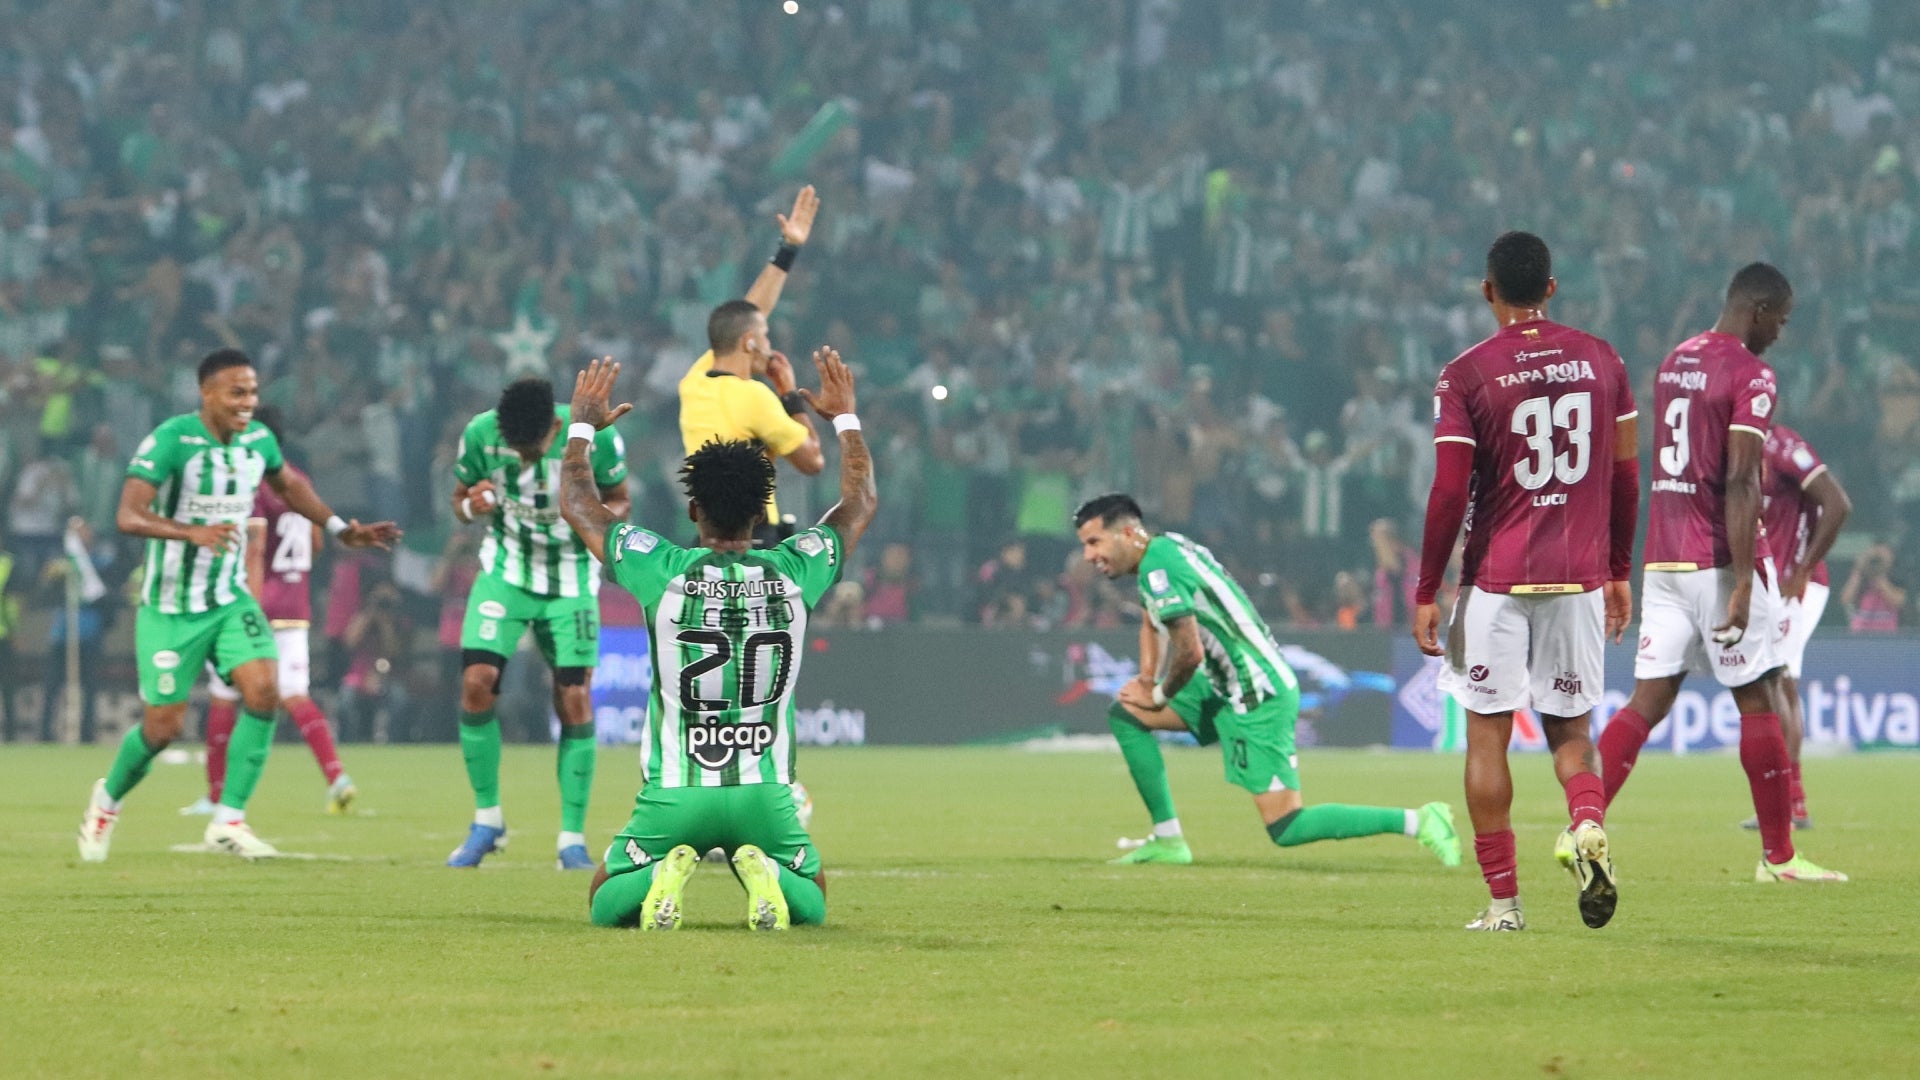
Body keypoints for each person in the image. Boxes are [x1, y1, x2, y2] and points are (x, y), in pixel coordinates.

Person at [560, 350, 875, 931]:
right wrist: (845, 420)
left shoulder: (659, 568)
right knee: (813, 897)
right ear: (760, 512)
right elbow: (858, 505)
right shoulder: (797, 569)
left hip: (677, 793)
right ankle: (766, 872)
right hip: (765, 794)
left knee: (605, 898)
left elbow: (579, 504)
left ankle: (663, 873)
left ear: (693, 509)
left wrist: (582, 427)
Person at [75, 348, 399, 862]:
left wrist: (341, 529)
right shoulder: (172, 439)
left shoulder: (258, 441)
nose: (248, 402)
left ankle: (229, 820)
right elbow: (128, 515)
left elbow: (290, 486)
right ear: (206, 393)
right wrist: (190, 532)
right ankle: (107, 801)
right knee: (162, 728)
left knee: (265, 691)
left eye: (252, 392)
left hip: (229, 600)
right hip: (171, 607)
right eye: (236, 392)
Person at [1412, 231, 1638, 932]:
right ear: (1551, 287)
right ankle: (1587, 822)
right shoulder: (1604, 359)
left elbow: (1449, 491)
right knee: (1571, 733)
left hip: (1496, 580)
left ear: (1488, 291)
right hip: (1577, 578)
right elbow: (1626, 475)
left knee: (1487, 739)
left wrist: (1426, 588)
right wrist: (1618, 570)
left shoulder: (1465, 375)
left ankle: (1505, 905)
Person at [1596, 263, 1847, 883]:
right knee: (1758, 694)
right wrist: (1743, 579)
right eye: (1780, 321)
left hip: (1663, 555)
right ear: (1757, 310)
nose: (1779, 334)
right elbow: (1739, 479)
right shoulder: (1751, 373)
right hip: (1718, 557)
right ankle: (1780, 859)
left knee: (1647, 701)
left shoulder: (1673, 361)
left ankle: (1583, 823)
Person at [1074, 494, 1461, 871]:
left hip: (1256, 692)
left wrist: (1158, 694)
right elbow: (1150, 619)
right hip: (1222, 683)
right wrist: (1145, 680)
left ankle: (1421, 820)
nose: (1089, 555)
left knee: (1287, 826)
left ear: (1128, 533)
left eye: (1094, 542)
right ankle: (1168, 840)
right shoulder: (1163, 551)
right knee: (1127, 714)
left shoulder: (1158, 566)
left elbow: (1189, 652)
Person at [444, 376, 630, 869]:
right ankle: (487, 820)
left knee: (574, 699)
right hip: (505, 573)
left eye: (531, 448)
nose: (523, 457)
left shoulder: (593, 434)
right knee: (476, 684)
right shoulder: (481, 433)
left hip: (572, 579)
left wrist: (594, 521)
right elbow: (459, 502)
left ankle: (571, 839)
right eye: (515, 448)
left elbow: (621, 498)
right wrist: (472, 506)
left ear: (553, 426)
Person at [183, 406, 356, 818]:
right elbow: (316, 542)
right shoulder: (300, 480)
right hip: (296, 603)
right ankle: (337, 777)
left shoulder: (255, 483)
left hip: (257, 601)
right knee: (295, 694)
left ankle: (215, 794)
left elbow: (254, 547)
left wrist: (249, 605)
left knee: (224, 695)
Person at [677, 186, 824, 546]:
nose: (770, 347)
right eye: (766, 337)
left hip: (706, 538)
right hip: (754, 538)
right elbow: (813, 460)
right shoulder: (754, 397)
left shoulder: (694, 383)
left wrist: (787, 250)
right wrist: (789, 394)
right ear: (750, 343)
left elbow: (749, 314)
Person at [1742, 421, 1850, 830]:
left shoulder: (1784, 447)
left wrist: (1803, 568)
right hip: (1770, 583)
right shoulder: (1736, 447)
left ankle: (1789, 802)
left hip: (1795, 585)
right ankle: (1791, 802)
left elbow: (1837, 503)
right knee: (1776, 683)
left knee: (1778, 681)